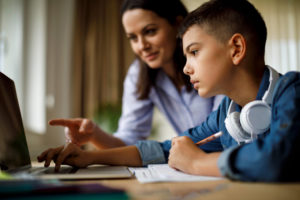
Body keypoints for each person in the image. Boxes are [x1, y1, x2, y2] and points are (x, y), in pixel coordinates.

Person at [38, 0, 300, 182]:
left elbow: (274, 159)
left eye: (194, 52)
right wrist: (89, 158)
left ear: (236, 49)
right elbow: (168, 149)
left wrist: (196, 163)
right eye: (185, 56)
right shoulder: (226, 114)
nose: (187, 69)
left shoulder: (292, 90)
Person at [49, 0, 223, 149]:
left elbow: (219, 133)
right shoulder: (139, 74)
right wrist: (93, 134)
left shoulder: (209, 60)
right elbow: (129, 139)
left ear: (178, 24)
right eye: (133, 38)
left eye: (150, 31)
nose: (142, 46)